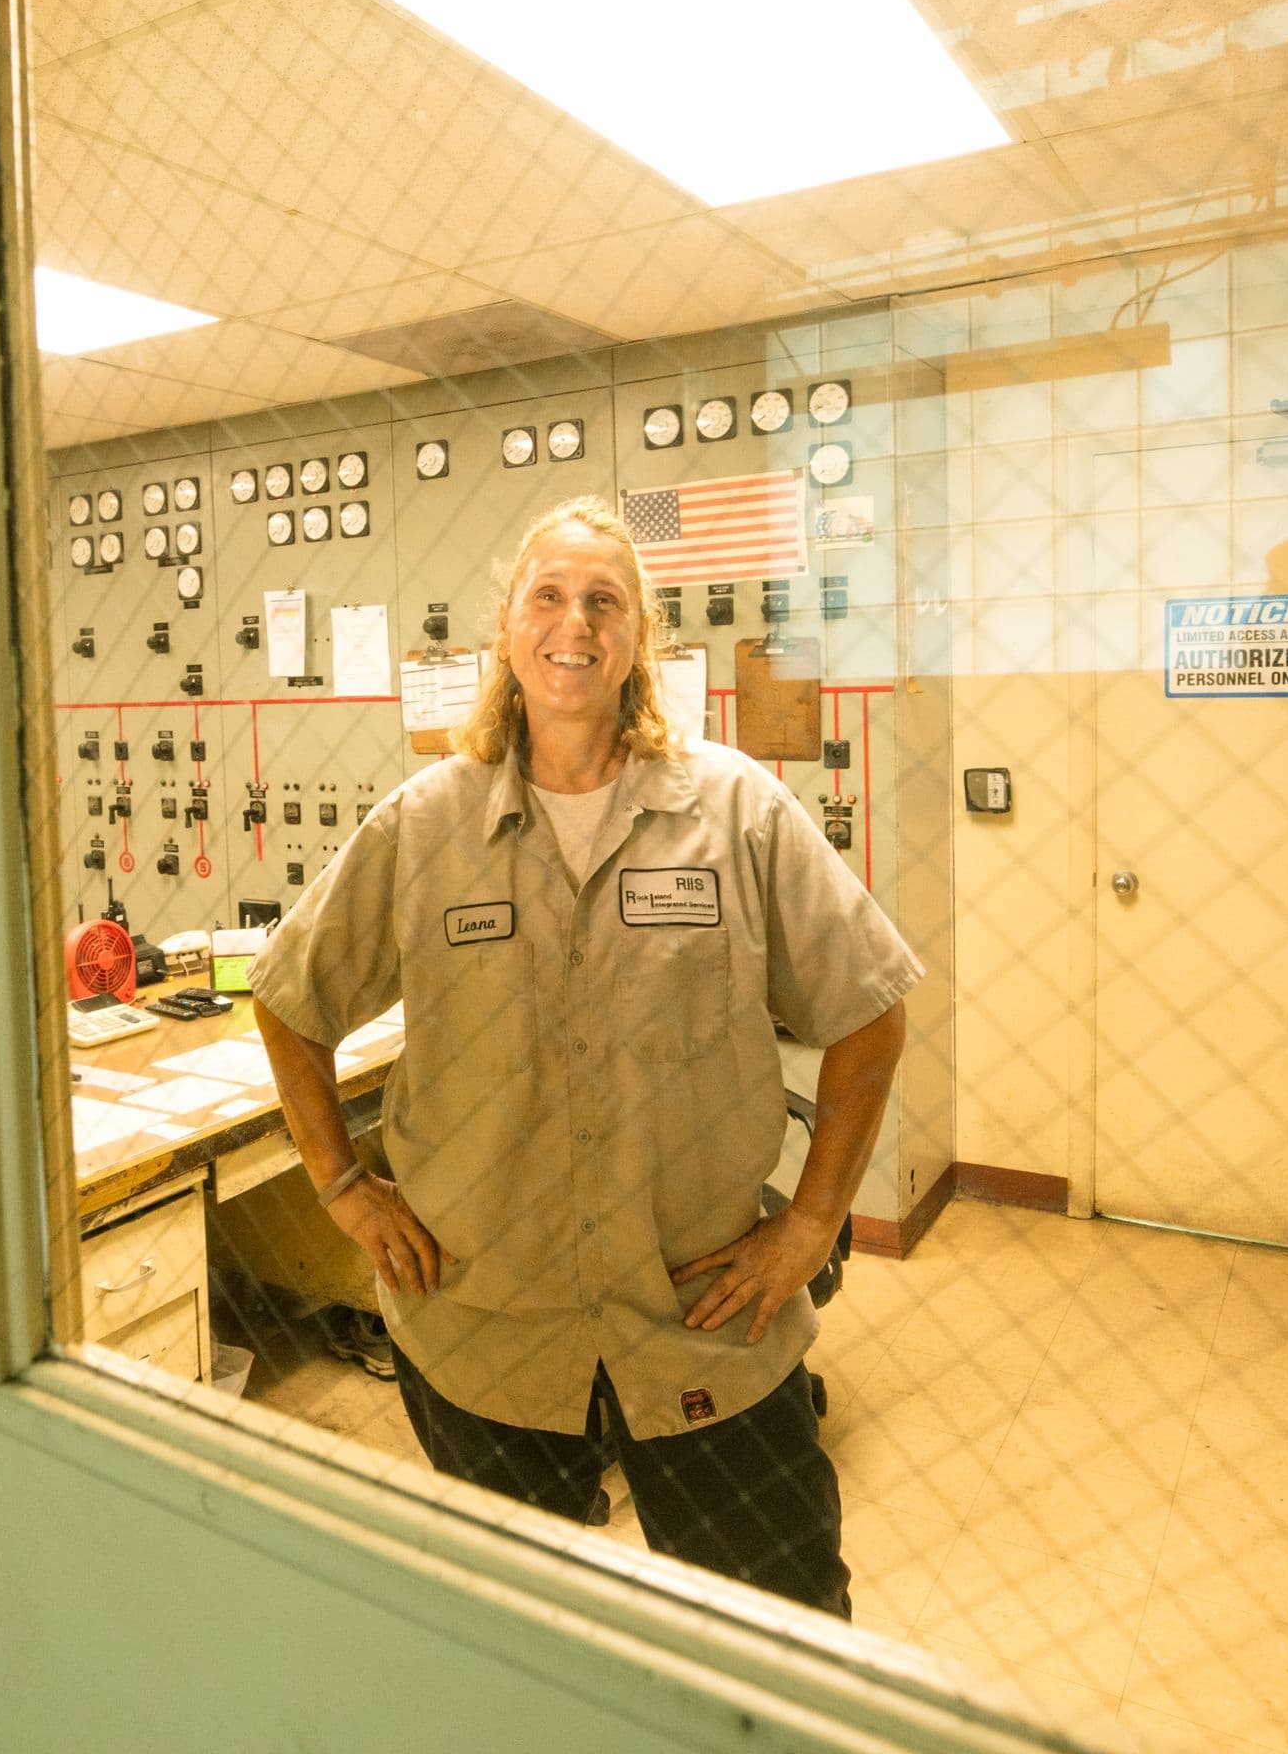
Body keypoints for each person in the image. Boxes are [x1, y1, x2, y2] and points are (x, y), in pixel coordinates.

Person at [249, 495, 920, 1616]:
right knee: (526, 1644)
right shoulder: (423, 826)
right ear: (508, 630)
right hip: (484, 1328)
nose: (575, 623)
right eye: (549, 597)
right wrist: (343, 1185)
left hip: (708, 1327)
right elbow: (288, 997)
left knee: (785, 1628)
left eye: (603, 600)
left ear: (639, 639)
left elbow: (870, 1010)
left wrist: (809, 1223)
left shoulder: (738, 812)